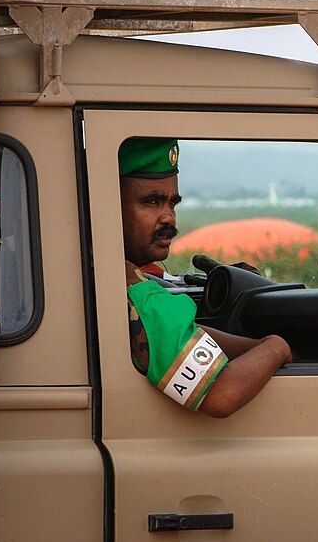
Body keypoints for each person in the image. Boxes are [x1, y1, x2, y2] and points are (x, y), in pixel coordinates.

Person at [119, 137, 292, 418]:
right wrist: (277, 347)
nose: (169, 218)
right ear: (107, 205)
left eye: (172, 204)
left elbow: (180, 334)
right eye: (151, 202)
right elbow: (220, 395)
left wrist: (254, 347)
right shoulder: (138, 293)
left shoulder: (106, 272)